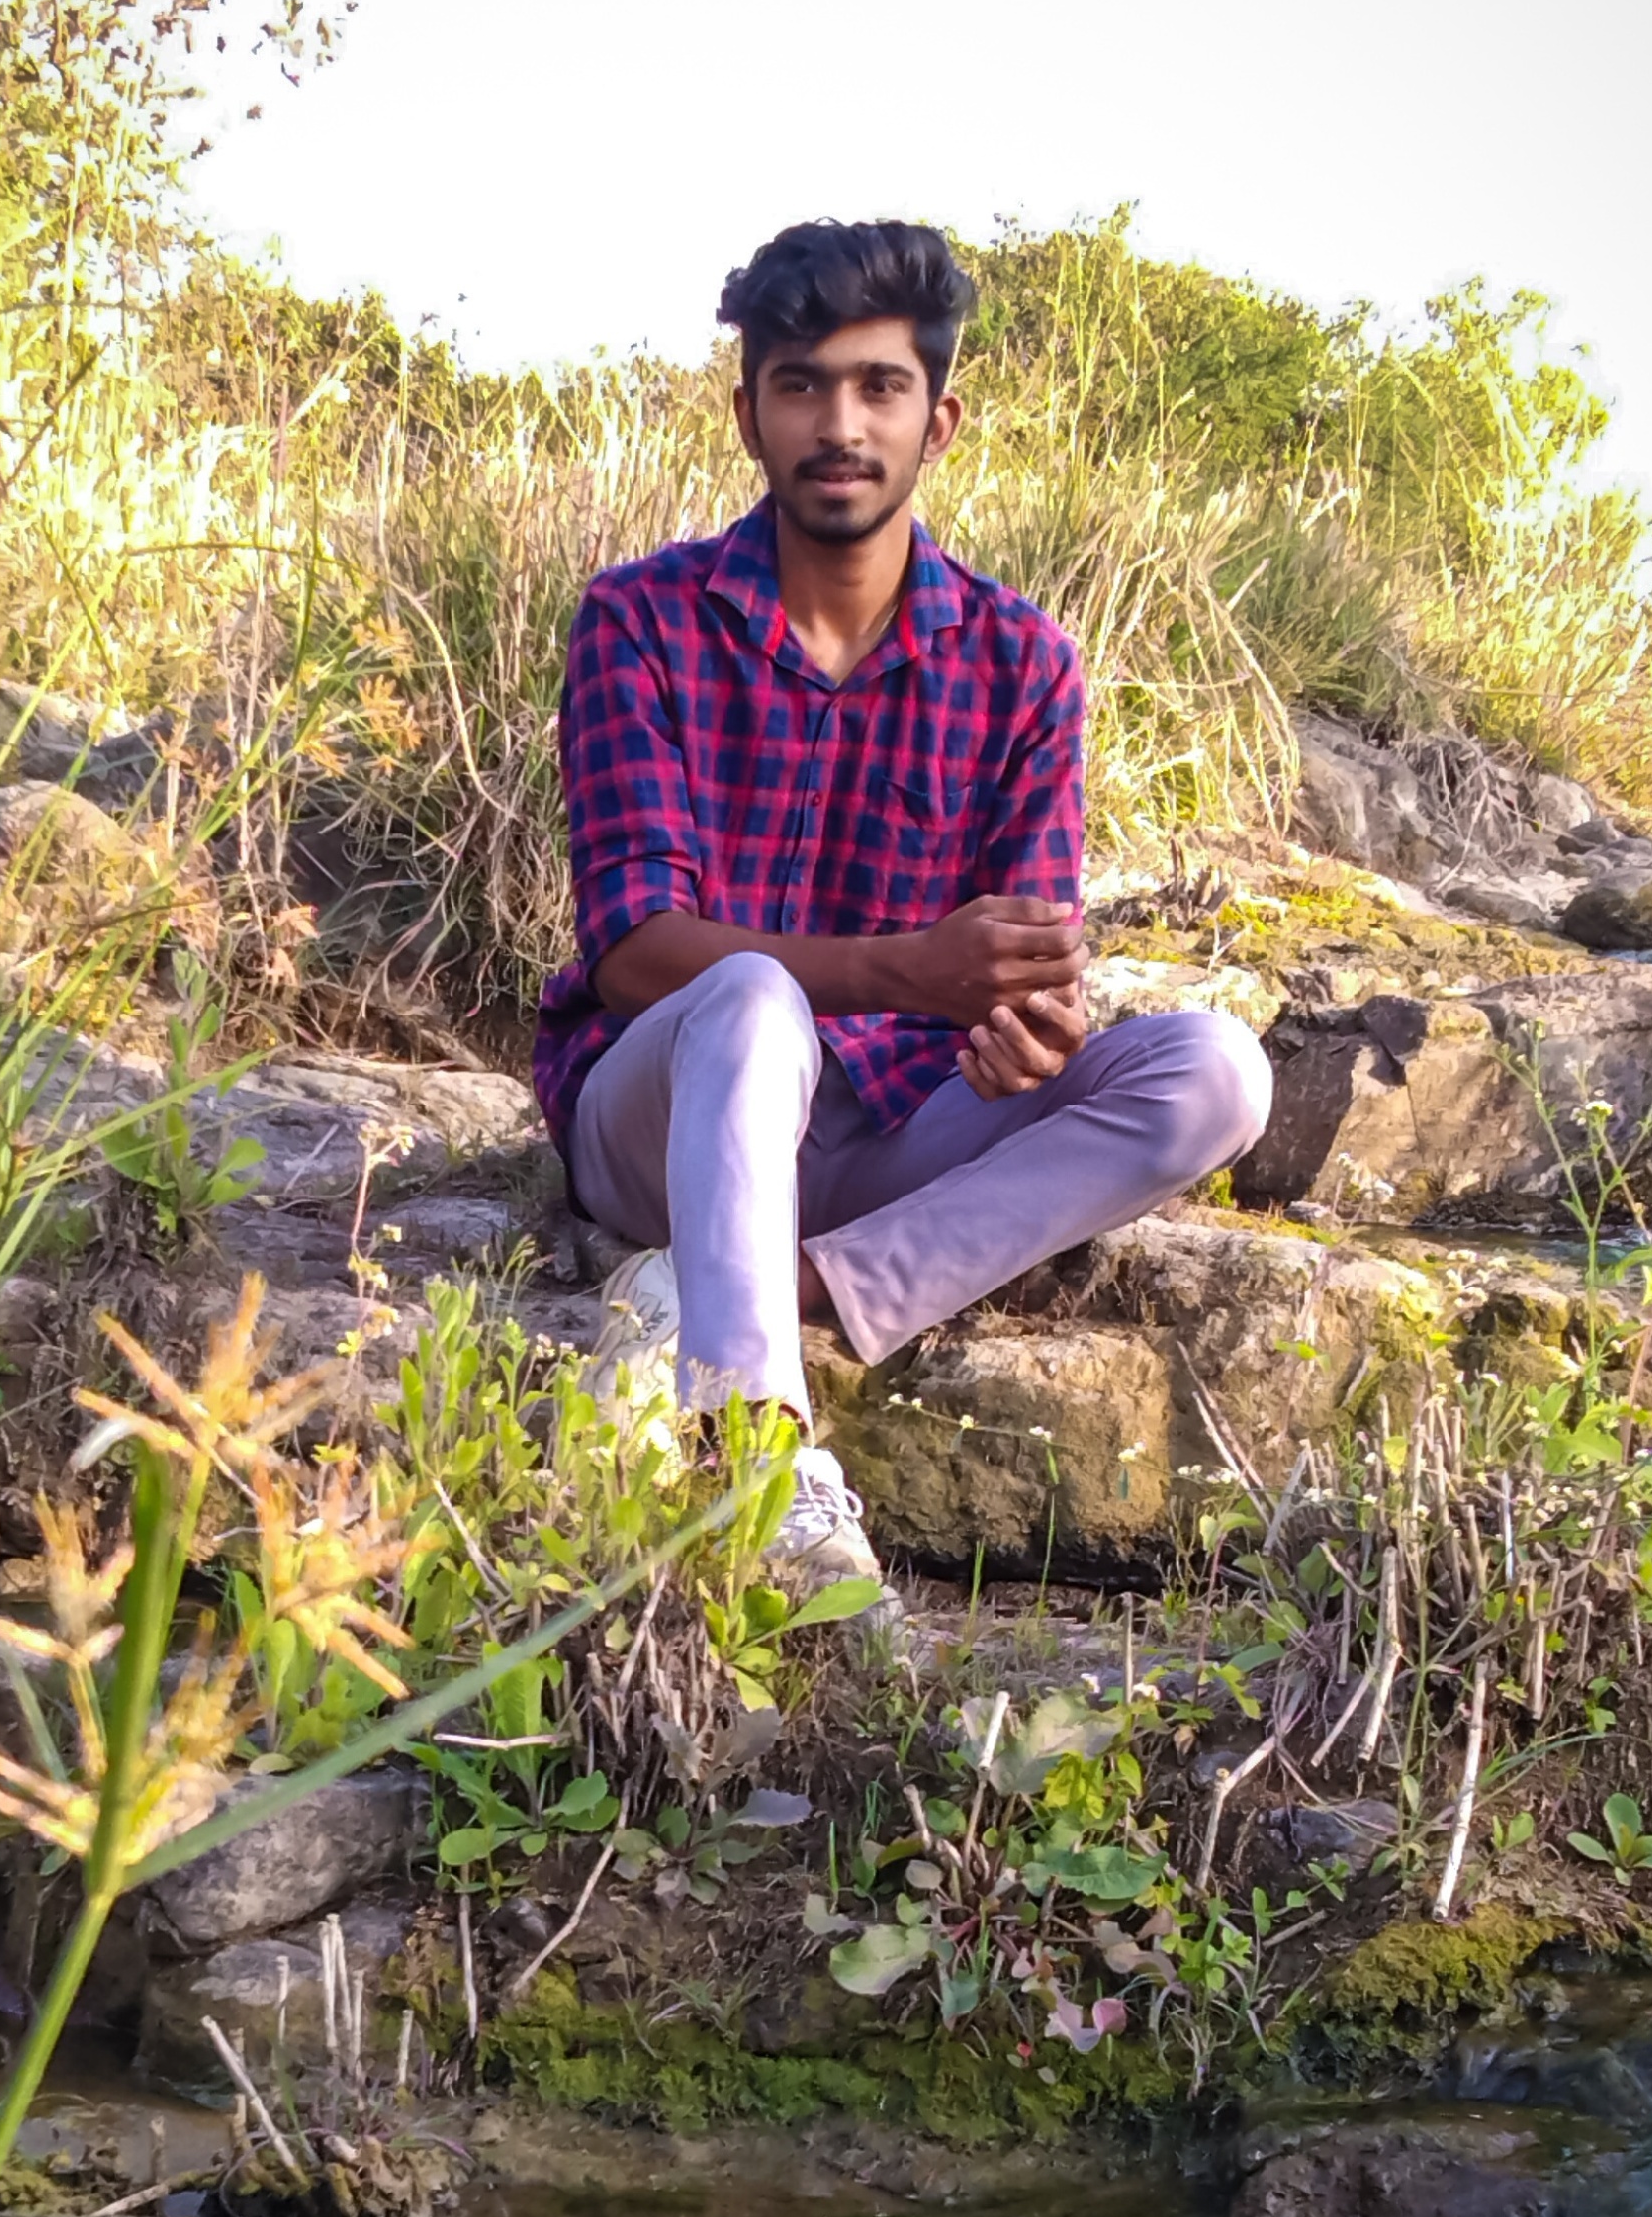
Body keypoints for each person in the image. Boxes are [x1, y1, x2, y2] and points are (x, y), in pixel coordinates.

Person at [533, 217, 1273, 1589]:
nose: (840, 424)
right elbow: (634, 956)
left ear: (938, 422)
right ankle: (757, 1459)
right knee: (749, 998)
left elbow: (1027, 966)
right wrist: (906, 972)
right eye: (801, 385)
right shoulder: (639, 622)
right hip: (659, 1122)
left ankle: (779, 1283)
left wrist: (1028, 1030)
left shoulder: (1024, 663)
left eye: (880, 386)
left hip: (893, 1130)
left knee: (1215, 1071)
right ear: (748, 414)